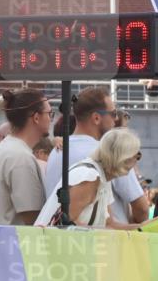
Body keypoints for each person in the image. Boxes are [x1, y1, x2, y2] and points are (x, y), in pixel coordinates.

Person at [44, 87, 149, 226]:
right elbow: (63, 223)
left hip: (90, 237)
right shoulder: (105, 156)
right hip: (84, 239)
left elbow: (108, 224)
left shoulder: (56, 153)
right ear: (96, 118)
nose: (116, 119)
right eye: (113, 114)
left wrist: (139, 228)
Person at [36, 129, 147, 229]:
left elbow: (109, 225)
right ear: (123, 157)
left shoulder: (102, 177)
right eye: (137, 154)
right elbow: (65, 224)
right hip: (49, 243)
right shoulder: (90, 178)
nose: (137, 159)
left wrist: (143, 228)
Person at [0, 89, 52, 226]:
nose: (51, 119)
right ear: (36, 118)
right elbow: (32, 219)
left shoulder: (5, 148)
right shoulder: (21, 157)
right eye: (49, 114)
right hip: (15, 239)